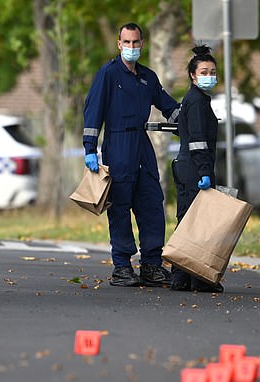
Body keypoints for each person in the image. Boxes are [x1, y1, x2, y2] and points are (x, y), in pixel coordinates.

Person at [83, 22, 181, 287]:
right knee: (120, 206)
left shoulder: (148, 77)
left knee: (151, 204)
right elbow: (93, 111)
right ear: (118, 44)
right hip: (118, 144)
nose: (131, 47)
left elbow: (168, 106)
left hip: (141, 144)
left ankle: (151, 265)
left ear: (142, 44)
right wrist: (89, 148)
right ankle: (122, 268)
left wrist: (192, 121)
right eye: (126, 43)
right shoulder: (108, 74)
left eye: (135, 42)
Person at [170, 45, 223, 293]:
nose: (209, 75)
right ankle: (199, 279)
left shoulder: (193, 99)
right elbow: (198, 140)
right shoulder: (198, 102)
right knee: (198, 225)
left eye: (212, 71)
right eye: (204, 71)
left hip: (187, 165)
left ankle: (181, 278)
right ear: (193, 75)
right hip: (194, 167)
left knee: (186, 222)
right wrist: (204, 171)